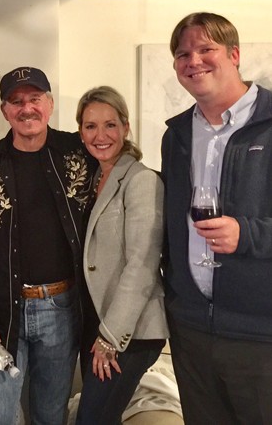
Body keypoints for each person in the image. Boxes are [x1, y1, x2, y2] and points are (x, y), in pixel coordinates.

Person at [0, 66, 96, 425]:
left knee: (50, 415)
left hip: (63, 308)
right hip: (1, 310)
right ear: (4, 110)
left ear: (49, 104)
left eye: (35, 99)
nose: (27, 108)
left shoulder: (78, 151)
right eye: (16, 101)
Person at [161, 12, 272, 424]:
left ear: (234, 54)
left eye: (206, 49)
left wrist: (246, 234)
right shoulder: (175, 135)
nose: (194, 61)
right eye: (183, 54)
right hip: (191, 329)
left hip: (259, 333)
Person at [73, 86, 168, 424]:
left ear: (126, 128)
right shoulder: (93, 177)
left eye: (110, 125)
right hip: (96, 321)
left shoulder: (141, 180)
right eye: (90, 126)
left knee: (92, 419)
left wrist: (111, 338)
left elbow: (142, 264)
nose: (100, 135)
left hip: (130, 331)